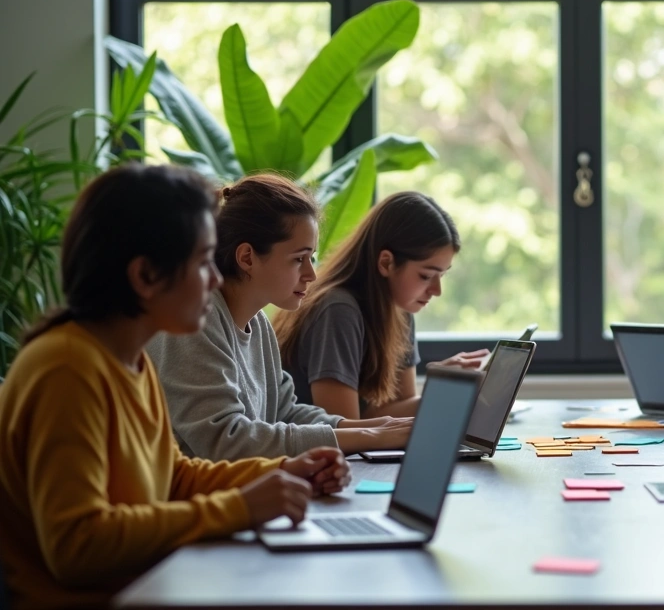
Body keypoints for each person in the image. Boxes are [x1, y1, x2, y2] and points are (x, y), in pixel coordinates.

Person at [0, 165, 350, 608]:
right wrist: (240, 508)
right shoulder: (67, 369)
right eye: (203, 261)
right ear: (145, 275)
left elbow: (174, 475)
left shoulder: (130, 360)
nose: (215, 279)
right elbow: (78, 546)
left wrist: (281, 470)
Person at [147, 174, 415, 460]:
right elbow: (225, 440)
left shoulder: (258, 322)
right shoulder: (195, 320)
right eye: (299, 259)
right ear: (247, 257)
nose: (311, 274)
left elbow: (284, 412)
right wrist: (368, 436)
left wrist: (377, 427)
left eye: (311, 258)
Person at [274, 191, 487, 420]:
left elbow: (392, 409)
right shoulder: (338, 311)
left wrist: (443, 389)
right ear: (386, 262)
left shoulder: (400, 309)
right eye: (426, 276)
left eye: (442, 276)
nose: (437, 291)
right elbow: (344, 429)